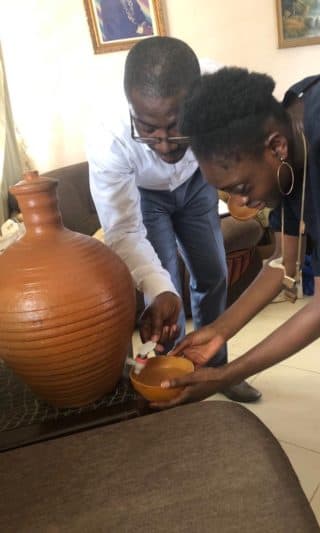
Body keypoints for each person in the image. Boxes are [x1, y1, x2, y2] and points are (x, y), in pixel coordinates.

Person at [151, 56, 320, 530]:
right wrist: (217, 331)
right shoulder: (287, 131)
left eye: (241, 188)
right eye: (226, 195)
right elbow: (282, 266)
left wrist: (227, 376)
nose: (241, 204)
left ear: (275, 147)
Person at [87, 36, 260, 403]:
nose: (164, 145)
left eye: (177, 125)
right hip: (146, 195)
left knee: (213, 274)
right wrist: (159, 288)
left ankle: (215, 372)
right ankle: (170, 379)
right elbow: (122, 228)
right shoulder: (108, 134)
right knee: (164, 291)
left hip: (198, 182)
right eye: (148, 129)